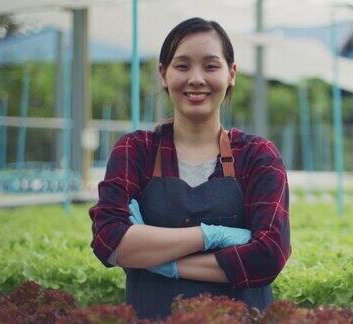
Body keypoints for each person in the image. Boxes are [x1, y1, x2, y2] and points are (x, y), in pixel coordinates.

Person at [89, 17, 291, 320]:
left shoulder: (258, 156)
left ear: (231, 73)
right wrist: (214, 235)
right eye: (182, 66)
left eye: (211, 66)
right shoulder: (136, 151)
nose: (196, 78)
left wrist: (160, 262)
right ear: (163, 74)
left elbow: (268, 255)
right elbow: (109, 239)